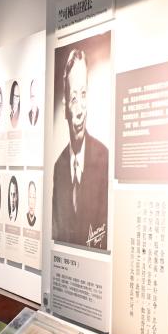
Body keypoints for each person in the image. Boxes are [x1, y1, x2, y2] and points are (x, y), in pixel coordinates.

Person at [52, 48, 108, 249]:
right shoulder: (58, 168)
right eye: (74, 98)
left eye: (83, 94)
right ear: (65, 107)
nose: (79, 111)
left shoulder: (105, 160)